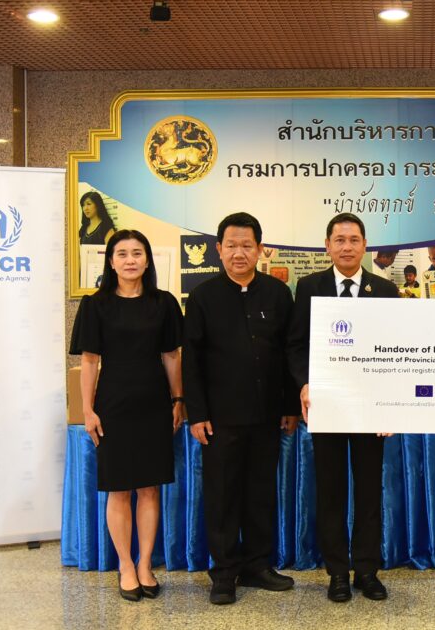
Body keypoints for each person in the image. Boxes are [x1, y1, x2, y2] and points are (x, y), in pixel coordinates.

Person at [182, 212, 299, 605]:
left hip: (268, 416)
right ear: (218, 249)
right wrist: (198, 413)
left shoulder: (278, 294)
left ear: (260, 249)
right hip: (220, 419)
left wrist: (289, 406)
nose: (239, 253)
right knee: (222, 496)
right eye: (231, 245)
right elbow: (191, 360)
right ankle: (224, 573)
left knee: (261, 493)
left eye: (247, 245)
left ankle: (257, 566)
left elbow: (289, 353)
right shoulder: (202, 297)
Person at [288, 213, 399, 602]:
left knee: (368, 492)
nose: (347, 247)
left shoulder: (384, 290)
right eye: (340, 240)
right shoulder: (309, 287)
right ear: (327, 246)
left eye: (354, 240)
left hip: (370, 409)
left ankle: (367, 570)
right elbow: (296, 344)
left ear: (365, 245)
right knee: (330, 491)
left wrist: (390, 404)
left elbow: (397, 349)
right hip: (327, 406)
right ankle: (336, 572)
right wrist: (304, 383)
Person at [69, 229, 184, 602]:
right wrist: (88, 410)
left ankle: (146, 563)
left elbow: (171, 356)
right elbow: (90, 361)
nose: (130, 260)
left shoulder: (164, 303)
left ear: (148, 260)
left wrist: (178, 399)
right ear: (111, 261)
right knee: (119, 490)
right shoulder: (95, 305)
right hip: (113, 405)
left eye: (137, 253)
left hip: (154, 403)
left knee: (150, 488)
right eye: (122, 253)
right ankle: (125, 565)